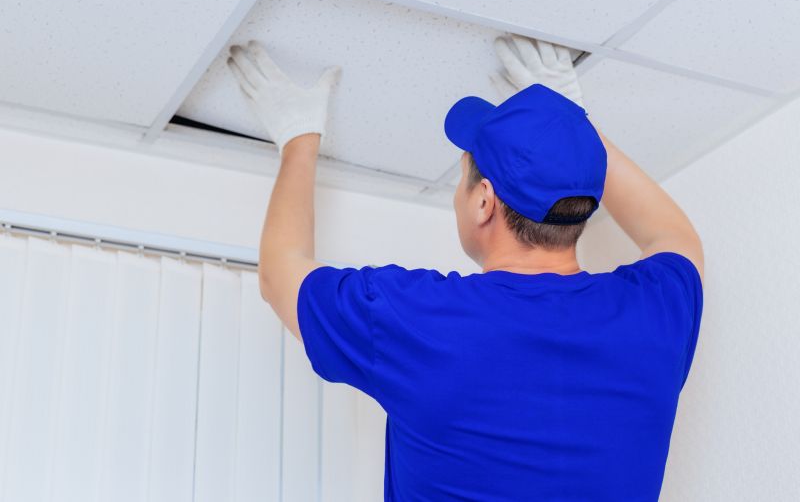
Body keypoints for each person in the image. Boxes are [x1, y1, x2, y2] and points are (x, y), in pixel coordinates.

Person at [227, 34, 704, 501]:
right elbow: (674, 236)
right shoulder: (654, 317)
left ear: (483, 202)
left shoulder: (418, 319)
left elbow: (279, 274)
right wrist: (567, 131)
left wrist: (298, 138)